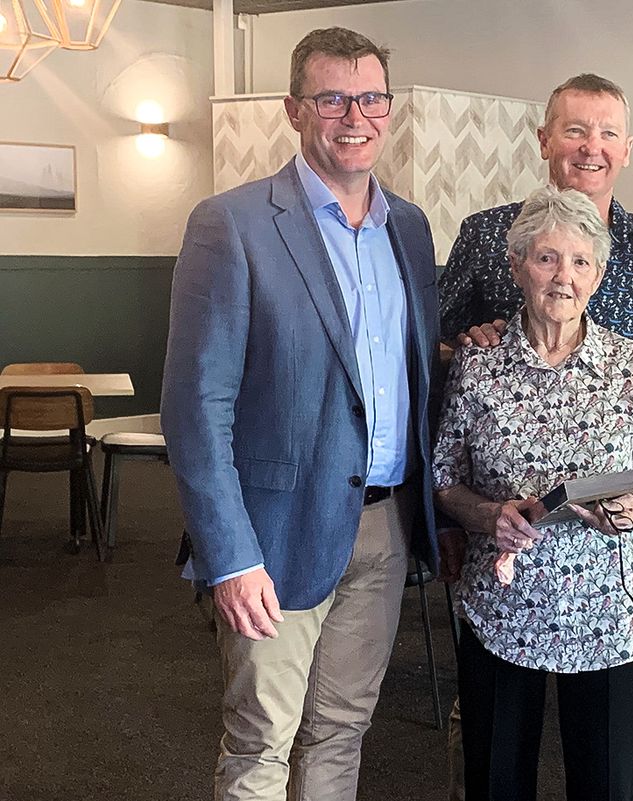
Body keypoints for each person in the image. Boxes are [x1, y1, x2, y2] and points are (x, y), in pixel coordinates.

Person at [160, 27, 440, 801]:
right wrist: (230, 555)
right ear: (294, 108)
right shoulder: (233, 223)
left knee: (341, 733)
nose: (355, 115)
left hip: (384, 526)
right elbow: (195, 409)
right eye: (332, 97)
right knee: (260, 745)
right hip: (272, 537)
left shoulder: (409, 229)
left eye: (372, 97)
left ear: (390, 108)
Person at [432, 185, 633, 801]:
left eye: (579, 261)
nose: (562, 276)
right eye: (546, 258)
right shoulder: (478, 366)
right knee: (497, 782)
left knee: (609, 785)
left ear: (598, 274)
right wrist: (490, 514)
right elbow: (444, 480)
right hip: (504, 606)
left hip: (609, 611)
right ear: (517, 266)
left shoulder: (629, 365)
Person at [437, 73, 633, 361]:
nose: (591, 148)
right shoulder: (485, 234)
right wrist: (472, 334)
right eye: (576, 131)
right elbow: (437, 333)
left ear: (626, 151)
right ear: (544, 141)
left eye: (609, 134)